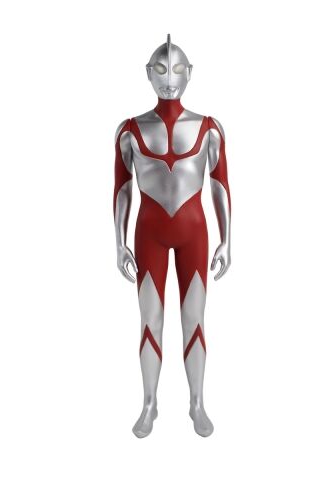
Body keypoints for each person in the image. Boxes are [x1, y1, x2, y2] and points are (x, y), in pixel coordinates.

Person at [113, 34, 231, 438]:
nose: (168, 79)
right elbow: (122, 188)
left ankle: (197, 403)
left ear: (190, 73)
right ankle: (150, 404)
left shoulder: (209, 128)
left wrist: (227, 239)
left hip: (193, 233)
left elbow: (220, 183)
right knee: (150, 319)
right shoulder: (130, 130)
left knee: (194, 318)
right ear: (148, 73)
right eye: (161, 70)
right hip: (149, 233)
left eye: (177, 69)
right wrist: (118, 242)